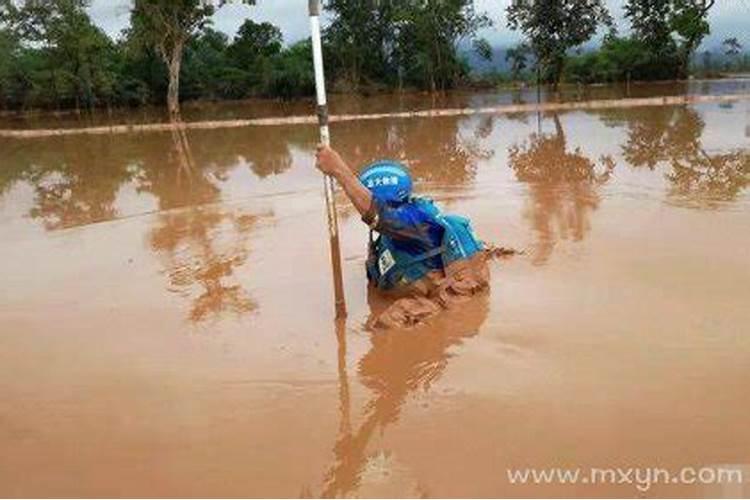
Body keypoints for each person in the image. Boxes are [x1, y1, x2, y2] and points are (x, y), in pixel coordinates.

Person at [315, 144, 494, 328]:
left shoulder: (414, 219)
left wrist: (339, 170)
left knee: (387, 322)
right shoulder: (390, 232)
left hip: (454, 291)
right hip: (425, 274)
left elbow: (375, 213)